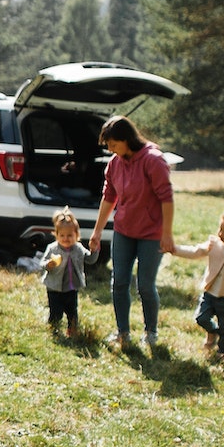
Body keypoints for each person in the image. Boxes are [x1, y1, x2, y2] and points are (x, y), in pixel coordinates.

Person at [86, 115, 175, 350]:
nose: (111, 149)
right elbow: (109, 197)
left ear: (126, 139)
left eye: (113, 144)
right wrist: (97, 231)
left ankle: (151, 332)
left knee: (145, 285)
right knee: (119, 282)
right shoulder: (115, 163)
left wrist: (167, 234)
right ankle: (122, 332)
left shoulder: (153, 160)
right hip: (124, 230)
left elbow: (166, 198)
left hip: (151, 233)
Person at [171, 206, 224, 360]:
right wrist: (174, 249)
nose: (221, 234)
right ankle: (212, 332)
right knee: (201, 318)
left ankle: (223, 353)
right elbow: (195, 251)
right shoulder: (214, 244)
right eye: (220, 229)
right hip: (210, 292)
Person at [40, 210, 90, 337]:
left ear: (76, 235)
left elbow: (90, 259)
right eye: (62, 235)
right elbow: (43, 262)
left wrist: (95, 249)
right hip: (54, 287)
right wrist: (48, 265)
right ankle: (54, 328)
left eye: (69, 235)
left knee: (72, 311)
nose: (65, 239)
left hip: (71, 287)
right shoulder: (52, 248)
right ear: (56, 235)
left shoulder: (78, 248)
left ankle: (72, 330)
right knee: (55, 311)